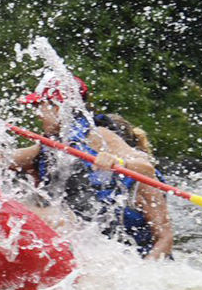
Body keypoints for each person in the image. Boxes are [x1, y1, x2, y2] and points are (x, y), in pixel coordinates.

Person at [9, 72, 173, 260]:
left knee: (59, 218)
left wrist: (118, 162)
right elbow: (5, 160)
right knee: (45, 212)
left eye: (40, 105)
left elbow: (146, 168)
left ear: (58, 107)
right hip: (88, 250)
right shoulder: (50, 147)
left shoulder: (98, 136)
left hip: (129, 259)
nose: (37, 113)